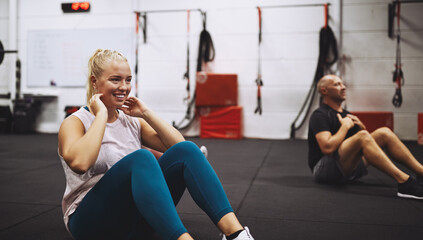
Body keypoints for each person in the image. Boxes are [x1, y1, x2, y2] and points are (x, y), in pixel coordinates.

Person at [58, 49, 254, 240]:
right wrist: (101, 114)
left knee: (187, 150)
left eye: (128, 80)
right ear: (94, 82)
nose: (124, 87)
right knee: (141, 158)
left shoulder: (131, 121)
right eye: (115, 79)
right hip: (91, 224)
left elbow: (180, 148)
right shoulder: (74, 122)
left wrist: (146, 114)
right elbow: (81, 163)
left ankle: (237, 234)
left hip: (133, 222)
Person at [308, 74, 423, 199]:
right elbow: (327, 149)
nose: (343, 87)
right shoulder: (320, 115)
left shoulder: (347, 115)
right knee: (362, 136)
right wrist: (345, 126)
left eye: (342, 83)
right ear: (324, 91)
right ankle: (404, 182)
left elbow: (366, 145)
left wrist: (362, 127)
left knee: (384, 133)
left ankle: (421, 172)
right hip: (324, 171)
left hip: (347, 168)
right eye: (337, 84)